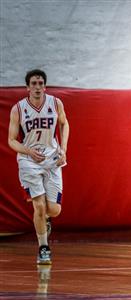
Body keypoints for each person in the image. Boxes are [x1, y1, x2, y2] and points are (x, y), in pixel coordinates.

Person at [8, 69, 70, 265]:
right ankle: (43, 248)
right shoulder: (18, 109)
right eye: (33, 83)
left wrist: (64, 149)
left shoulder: (55, 103)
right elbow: (11, 140)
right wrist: (27, 151)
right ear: (27, 87)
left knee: (54, 209)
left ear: (45, 86)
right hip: (29, 161)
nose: (37, 87)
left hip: (52, 158)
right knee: (39, 206)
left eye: (40, 83)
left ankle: (44, 221)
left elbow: (64, 124)